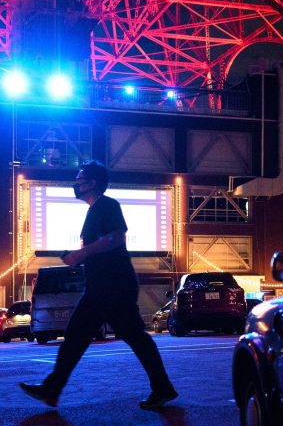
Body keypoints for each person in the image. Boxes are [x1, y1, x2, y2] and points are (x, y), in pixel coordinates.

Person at [20, 160, 178, 410]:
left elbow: (116, 238)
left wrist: (81, 255)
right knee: (78, 337)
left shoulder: (107, 205)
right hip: (100, 287)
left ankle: (163, 387)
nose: (76, 183)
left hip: (113, 286)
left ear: (92, 183)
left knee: (132, 336)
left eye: (80, 178)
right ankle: (52, 389)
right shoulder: (95, 210)